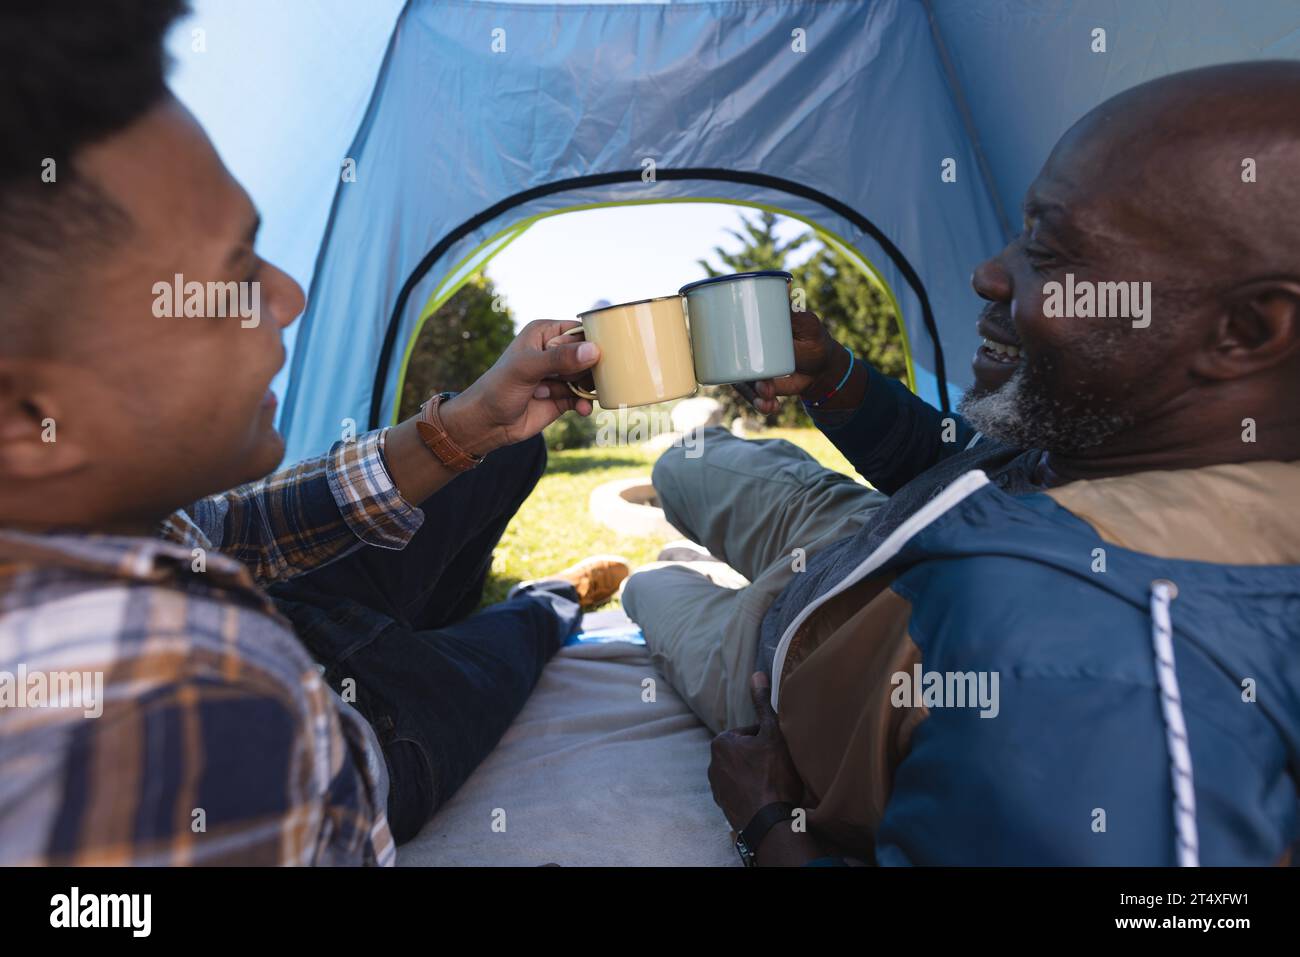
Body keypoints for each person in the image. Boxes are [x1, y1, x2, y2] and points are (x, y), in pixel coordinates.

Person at [622, 61, 1300, 866]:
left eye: (1050, 249)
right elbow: (960, 469)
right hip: (869, 538)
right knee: (685, 462)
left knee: (650, 586)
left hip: (782, 651)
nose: (989, 270)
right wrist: (834, 375)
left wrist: (764, 815)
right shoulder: (1141, 425)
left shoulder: (1083, 670)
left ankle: (661, 571)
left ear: (1249, 330)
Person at [0, 0, 627, 864]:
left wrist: (468, 427)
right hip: (361, 717)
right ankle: (543, 603)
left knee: (511, 450)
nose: (288, 295)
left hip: (288, 609)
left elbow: (240, 529)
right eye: (232, 274)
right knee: (499, 653)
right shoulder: (201, 712)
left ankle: (436, 619)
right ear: (27, 417)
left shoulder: (103, 504)